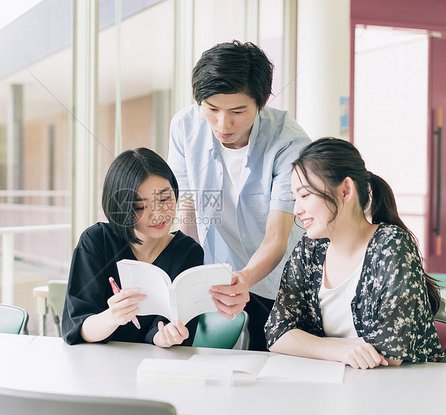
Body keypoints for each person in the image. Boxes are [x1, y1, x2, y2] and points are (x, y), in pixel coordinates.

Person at [168, 40, 310, 350]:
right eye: (212, 109)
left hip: (281, 278)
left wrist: (244, 280)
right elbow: (189, 209)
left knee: (272, 367)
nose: (223, 124)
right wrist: (190, 275)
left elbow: (276, 238)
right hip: (216, 271)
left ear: (261, 103)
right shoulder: (184, 127)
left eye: (237, 111)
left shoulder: (288, 142)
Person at [265, 137, 444, 368]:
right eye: (294, 198)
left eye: (305, 195)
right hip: (334, 384)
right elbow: (277, 333)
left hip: (401, 389)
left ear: (345, 190)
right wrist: (342, 350)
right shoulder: (309, 250)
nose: (297, 210)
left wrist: (314, 345)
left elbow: (390, 352)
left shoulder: (391, 244)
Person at [62, 148, 204, 348]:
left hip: (155, 369)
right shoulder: (96, 241)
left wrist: (165, 337)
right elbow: (79, 327)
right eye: (140, 207)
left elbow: (169, 329)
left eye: (164, 199)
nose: (158, 214)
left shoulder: (189, 252)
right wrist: (112, 317)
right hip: (98, 367)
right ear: (120, 207)